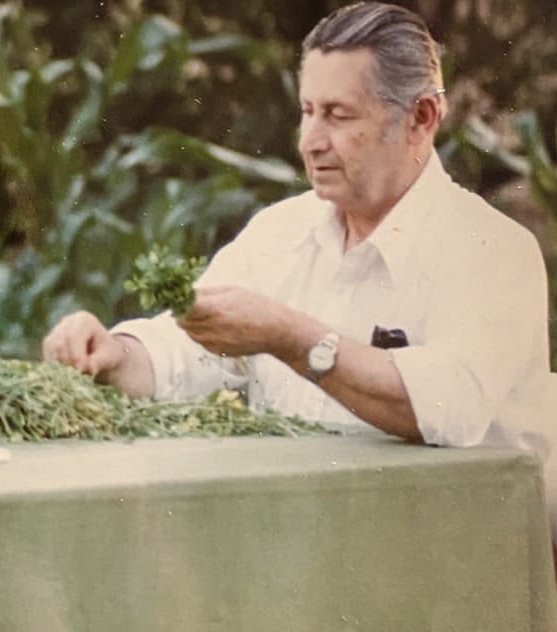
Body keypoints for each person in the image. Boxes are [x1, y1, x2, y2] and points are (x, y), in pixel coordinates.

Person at [43, 2, 552, 471]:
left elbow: (451, 409)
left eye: (338, 115)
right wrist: (115, 353)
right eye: (308, 111)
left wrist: (292, 338)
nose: (309, 142)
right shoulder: (280, 231)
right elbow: (192, 349)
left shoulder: (492, 250)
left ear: (420, 118)